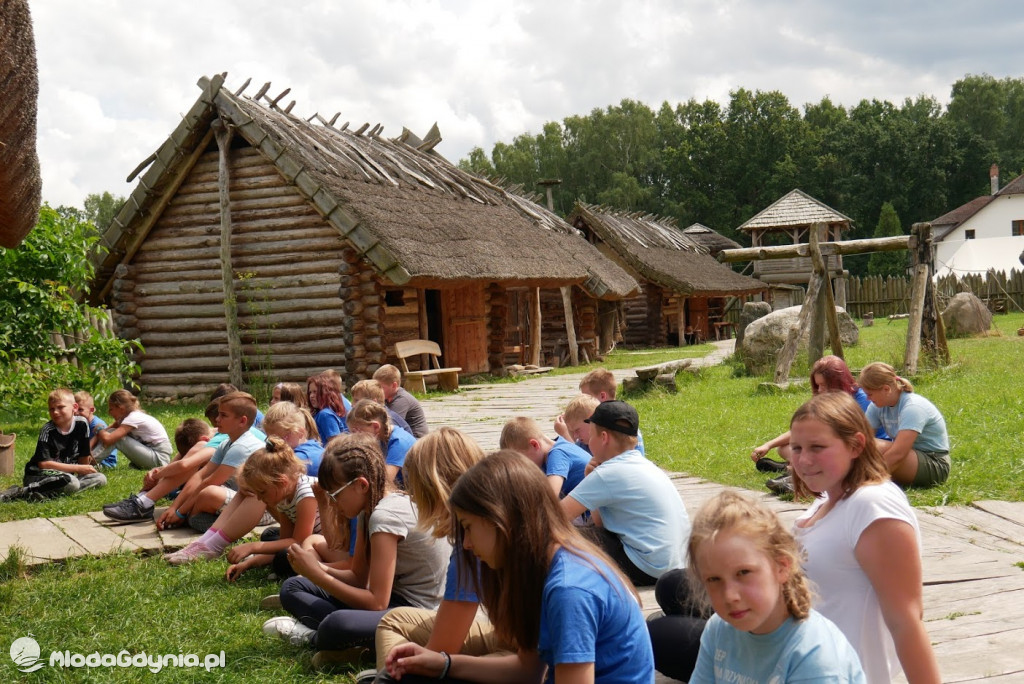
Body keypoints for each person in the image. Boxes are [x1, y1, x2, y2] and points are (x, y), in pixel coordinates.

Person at [383, 450, 654, 683]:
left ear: (502, 521)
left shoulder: (569, 589)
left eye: (468, 528)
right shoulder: (544, 568)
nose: (465, 544)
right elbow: (528, 670)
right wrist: (444, 664)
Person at [789, 392, 940, 683]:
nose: (804, 460)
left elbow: (906, 620)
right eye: (796, 448)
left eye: (817, 447)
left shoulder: (872, 506)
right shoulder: (827, 499)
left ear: (856, 445)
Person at [263, 433, 450, 667]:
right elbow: (358, 578)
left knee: (337, 625)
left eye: (335, 495)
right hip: (393, 600)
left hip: (417, 614)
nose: (332, 503)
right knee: (293, 586)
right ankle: (361, 645)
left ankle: (315, 637)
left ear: (361, 485)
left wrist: (317, 574)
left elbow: (377, 603)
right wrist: (315, 568)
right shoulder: (368, 510)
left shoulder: (384, 517)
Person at [367, 428, 510, 682]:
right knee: (395, 620)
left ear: (432, 487)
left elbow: (441, 651)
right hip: (514, 640)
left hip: (519, 648)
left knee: (408, 663)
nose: (411, 495)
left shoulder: (472, 543)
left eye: (413, 486)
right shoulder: (490, 519)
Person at [686, 490, 865, 683]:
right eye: (714, 579)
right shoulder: (719, 629)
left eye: (744, 573)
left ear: (781, 566)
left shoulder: (814, 655)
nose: (730, 596)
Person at [560, 400, 688, 587]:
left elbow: (554, 516)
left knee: (564, 537)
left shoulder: (609, 473)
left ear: (603, 437)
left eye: (590, 436)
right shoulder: (643, 464)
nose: (582, 442)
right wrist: (589, 477)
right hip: (675, 567)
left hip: (646, 567)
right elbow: (600, 524)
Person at [751, 355, 890, 494]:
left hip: (865, 447)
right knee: (784, 448)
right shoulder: (826, 402)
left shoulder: (861, 399)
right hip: (836, 446)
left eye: (824, 385)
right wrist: (768, 445)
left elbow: (851, 438)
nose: (820, 390)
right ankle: (794, 468)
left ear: (837, 381)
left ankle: (794, 473)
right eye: (817, 385)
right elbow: (804, 431)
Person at [155, 391, 263, 534]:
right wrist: (174, 508)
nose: (217, 419)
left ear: (242, 421)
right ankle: (194, 517)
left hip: (258, 508)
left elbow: (210, 482)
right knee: (201, 498)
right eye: (218, 414)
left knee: (209, 494)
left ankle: (229, 525)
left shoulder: (242, 447)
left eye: (223, 415)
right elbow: (200, 476)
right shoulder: (226, 443)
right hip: (237, 495)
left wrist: (181, 512)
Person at [220, 436, 322, 581]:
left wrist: (253, 547)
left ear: (281, 482)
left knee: (283, 556)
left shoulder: (306, 494)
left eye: (262, 492)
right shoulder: (283, 494)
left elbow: (299, 541)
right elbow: (286, 539)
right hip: (305, 542)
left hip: (326, 545)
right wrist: (248, 564)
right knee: (270, 535)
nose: (260, 499)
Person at [3, 389, 107, 501]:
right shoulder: (48, 430)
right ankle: (22, 491)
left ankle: (49, 492)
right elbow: (44, 464)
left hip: (64, 476)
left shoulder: (82, 424)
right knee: (72, 482)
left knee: (100, 479)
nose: (55, 412)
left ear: (74, 407)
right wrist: (78, 468)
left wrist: (85, 471)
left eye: (60, 407)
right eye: (51, 409)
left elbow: (84, 455)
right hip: (38, 474)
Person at [858, 362, 950, 488]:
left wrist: (866, 482)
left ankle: (867, 482)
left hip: (935, 464)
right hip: (911, 459)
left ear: (886, 389)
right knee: (862, 443)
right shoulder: (876, 406)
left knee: (875, 446)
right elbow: (861, 441)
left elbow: (898, 453)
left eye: (870, 394)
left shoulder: (913, 407)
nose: (867, 399)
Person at [499, 416, 590, 498]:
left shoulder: (558, 454)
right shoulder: (545, 455)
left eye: (521, 461)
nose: (522, 466)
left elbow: (550, 495)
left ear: (534, 445)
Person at [91, 390, 172, 469]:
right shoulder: (127, 417)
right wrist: (98, 433)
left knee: (118, 439)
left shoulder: (133, 418)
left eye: (111, 409)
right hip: (153, 455)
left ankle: (88, 463)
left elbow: (108, 439)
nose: (109, 413)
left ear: (120, 408)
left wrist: (98, 428)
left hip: (159, 458)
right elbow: (107, 431)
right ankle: (86, 460)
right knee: (111, 432)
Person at [346, 399, 417, 485]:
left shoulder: (399, 442)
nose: (355, 438)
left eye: (358, 432)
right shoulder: (381, 437)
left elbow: (385, 482)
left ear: (376, 427)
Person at [576, 368, 645, 456]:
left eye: (587, 397)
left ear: (602, 396)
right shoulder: (626, 420)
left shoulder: (613, 426)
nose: (583, 401)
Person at [373, 364, 428, 438]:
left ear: (394, 385)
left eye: (381, 387)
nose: (378, 390)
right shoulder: (388, 397)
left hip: (416, 440)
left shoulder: (402, 400)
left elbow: (389, 425)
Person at [75, 390, 117, 468]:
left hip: (105, 461)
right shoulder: (80, 423)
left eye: (80, 409)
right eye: (75, 409)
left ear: (91, 410)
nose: (76, 413)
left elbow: (99, 447)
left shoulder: (97, 425)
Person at [308, 372, 352, 445]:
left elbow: (335, 443)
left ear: (325, 392)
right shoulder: (321, 412)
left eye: (315, 392)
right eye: (310, 392)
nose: (311, 396)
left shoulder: (325, 415)